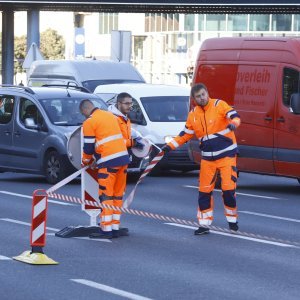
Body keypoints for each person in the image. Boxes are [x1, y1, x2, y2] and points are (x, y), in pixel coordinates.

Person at [162, 83, 241, 235]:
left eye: (203, 94)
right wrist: (169, 147)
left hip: (226, 156)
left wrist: (233, 124)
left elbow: (235, 116)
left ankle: (232, 221)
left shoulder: (219, 105)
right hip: (208, 159)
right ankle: (204, 224)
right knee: (204, 191)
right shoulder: (193, 114)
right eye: (198, 96)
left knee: (228, 189)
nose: (202, 98)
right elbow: (184, 135)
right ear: (194, 99)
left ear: (207, 93)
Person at [80, 99, 131, 239]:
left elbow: (88, 147)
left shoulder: (89, 122)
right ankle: (115, 227)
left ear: (85, 110)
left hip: (108, 162)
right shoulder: (110, 116)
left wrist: (86, 161)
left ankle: (106, 229)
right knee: (117, 195)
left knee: (106, 196)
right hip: (123, 159)